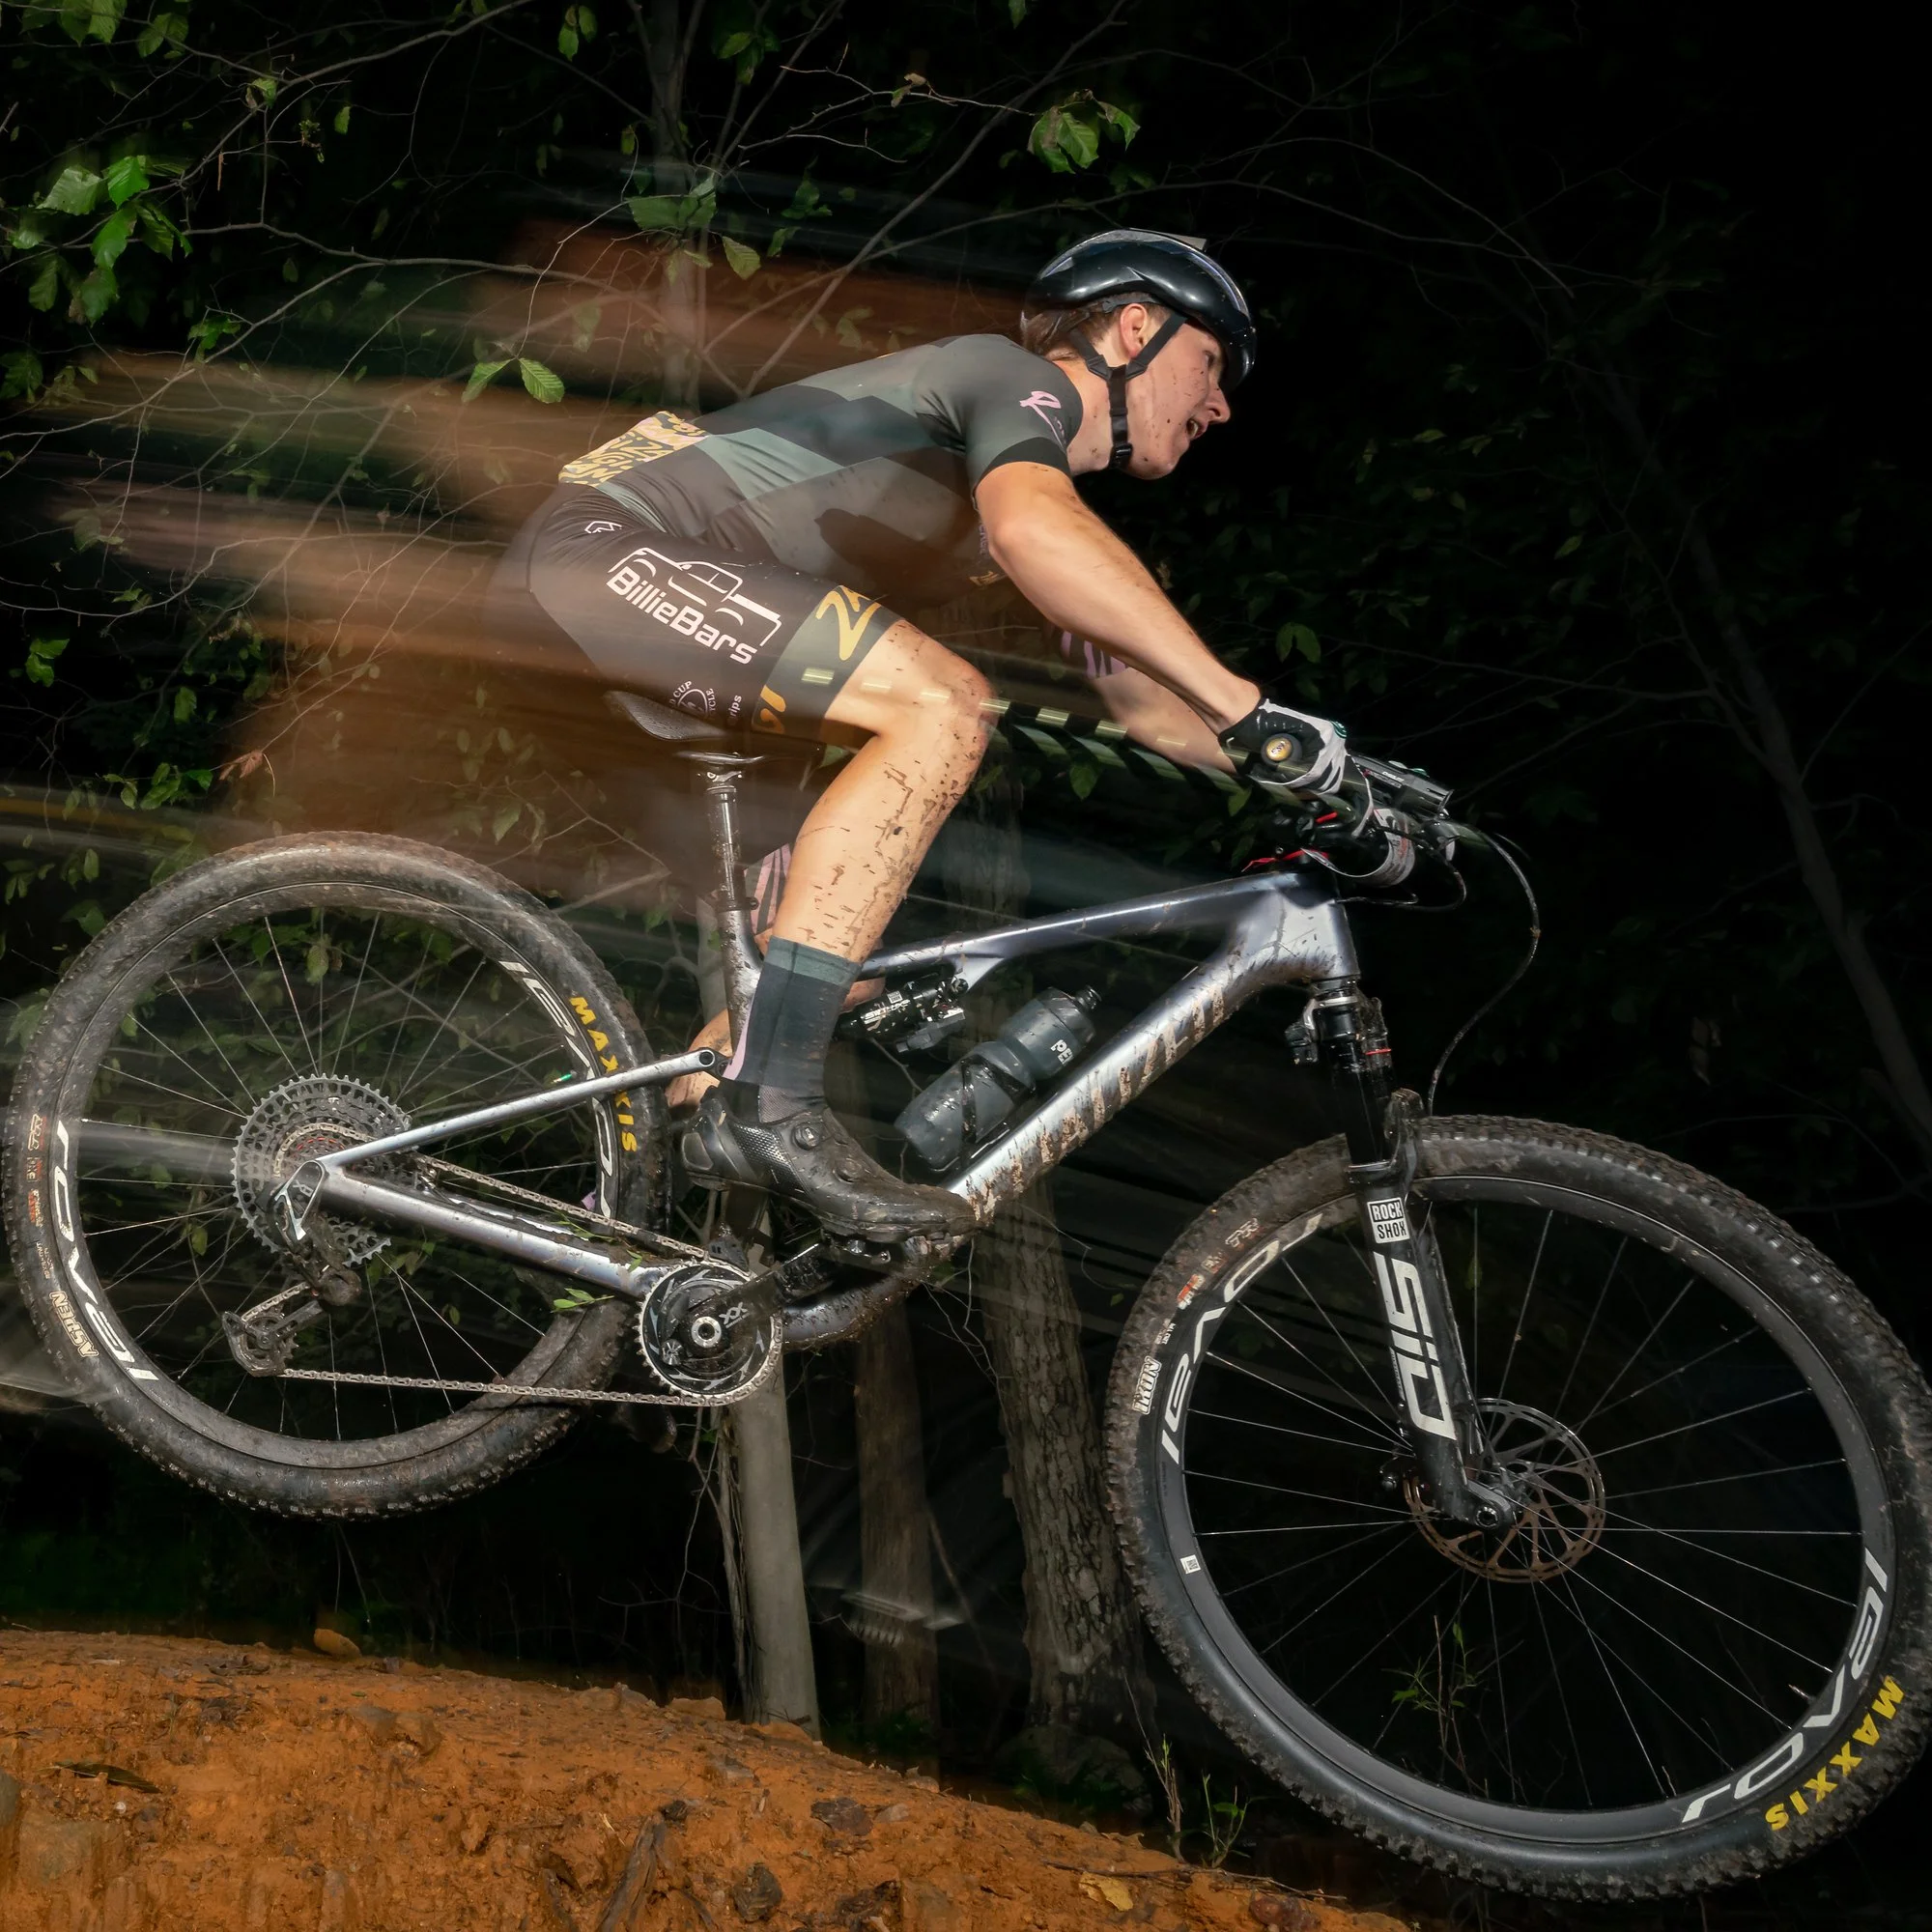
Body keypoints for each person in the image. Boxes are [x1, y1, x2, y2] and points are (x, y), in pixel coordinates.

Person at [504, 229, 1348, 1243]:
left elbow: (1147, 703)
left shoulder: (1015, 496)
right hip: (601, 557)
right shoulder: (1010, 381)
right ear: (1134, 328)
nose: (1220, 405)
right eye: (1210, 364)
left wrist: (1340, 776)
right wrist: (1250, 706)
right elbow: (1050, 542)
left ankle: (621, 1219)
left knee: (830, 953)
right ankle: (773, 1109)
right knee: (942, 701)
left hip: (617, 642)